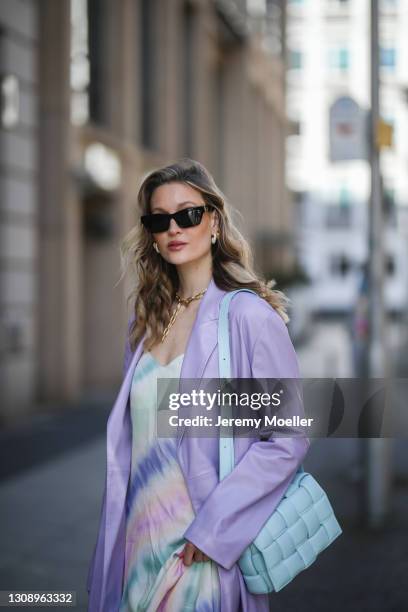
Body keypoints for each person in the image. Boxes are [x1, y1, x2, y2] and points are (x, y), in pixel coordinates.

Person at [86, 158, 310, 611]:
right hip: (138, 540)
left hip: (200, 549)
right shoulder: (146, 320)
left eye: (188, 214)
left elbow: (285, 437)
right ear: (150, 231)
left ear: (213, 220)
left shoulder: (247, 318)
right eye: (159, 218)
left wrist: (213, 531)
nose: (174, 227)